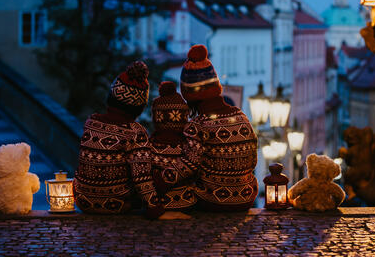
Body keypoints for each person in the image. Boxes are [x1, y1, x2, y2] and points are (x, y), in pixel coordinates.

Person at [155, 45, 259, 211]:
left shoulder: (198, 125)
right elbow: (253, 161)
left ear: (190, 96)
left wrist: (159, 181)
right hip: (246, 198)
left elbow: (188, 165)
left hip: (213, 200)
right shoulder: (241, 116)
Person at [73, 61, 164, 218]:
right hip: (116, 205)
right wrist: (155, 207)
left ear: (112, 96)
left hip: (83, 201)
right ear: (139, 106)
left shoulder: (91, 122)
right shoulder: (135, 133)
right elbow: (141, 178)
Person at [149, 81, 196, 213]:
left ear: (156, 118)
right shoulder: (189, 145)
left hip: (156, 204)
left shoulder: (149, 146)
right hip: (186, 204)